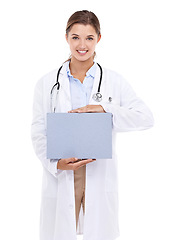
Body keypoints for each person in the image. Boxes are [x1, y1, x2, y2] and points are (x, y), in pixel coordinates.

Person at [31, 10, 154, 240]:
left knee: (100, 233)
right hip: (63, 172)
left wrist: (106, 109)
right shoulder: (47, 83)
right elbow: (38, 131)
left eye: (89, 37)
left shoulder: (114, 81)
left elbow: (145, 117)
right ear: (66, 37)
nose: (82, 45)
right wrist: (56, 163)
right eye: (75, 37)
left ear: (98, 38)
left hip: (99, 173)